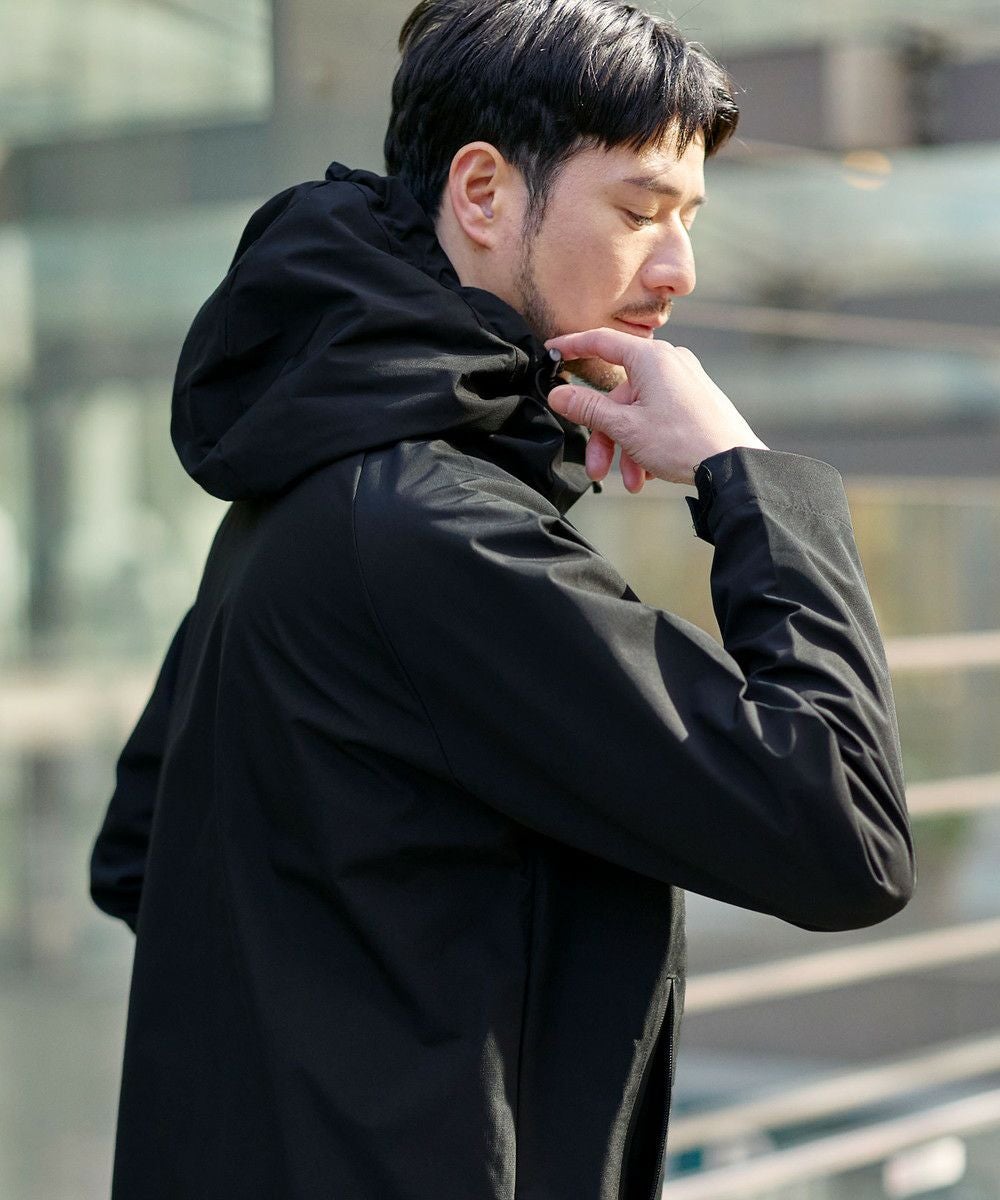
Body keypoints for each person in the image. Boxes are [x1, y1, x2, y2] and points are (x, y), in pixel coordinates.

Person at [89, 1, 915, 1197]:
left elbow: (141, 853)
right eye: (638, 211)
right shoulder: (433, 529)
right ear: (481, 193)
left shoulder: (313, 483)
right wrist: (748, 479)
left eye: (689, 219)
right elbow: (842, 829)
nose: (678, 269)